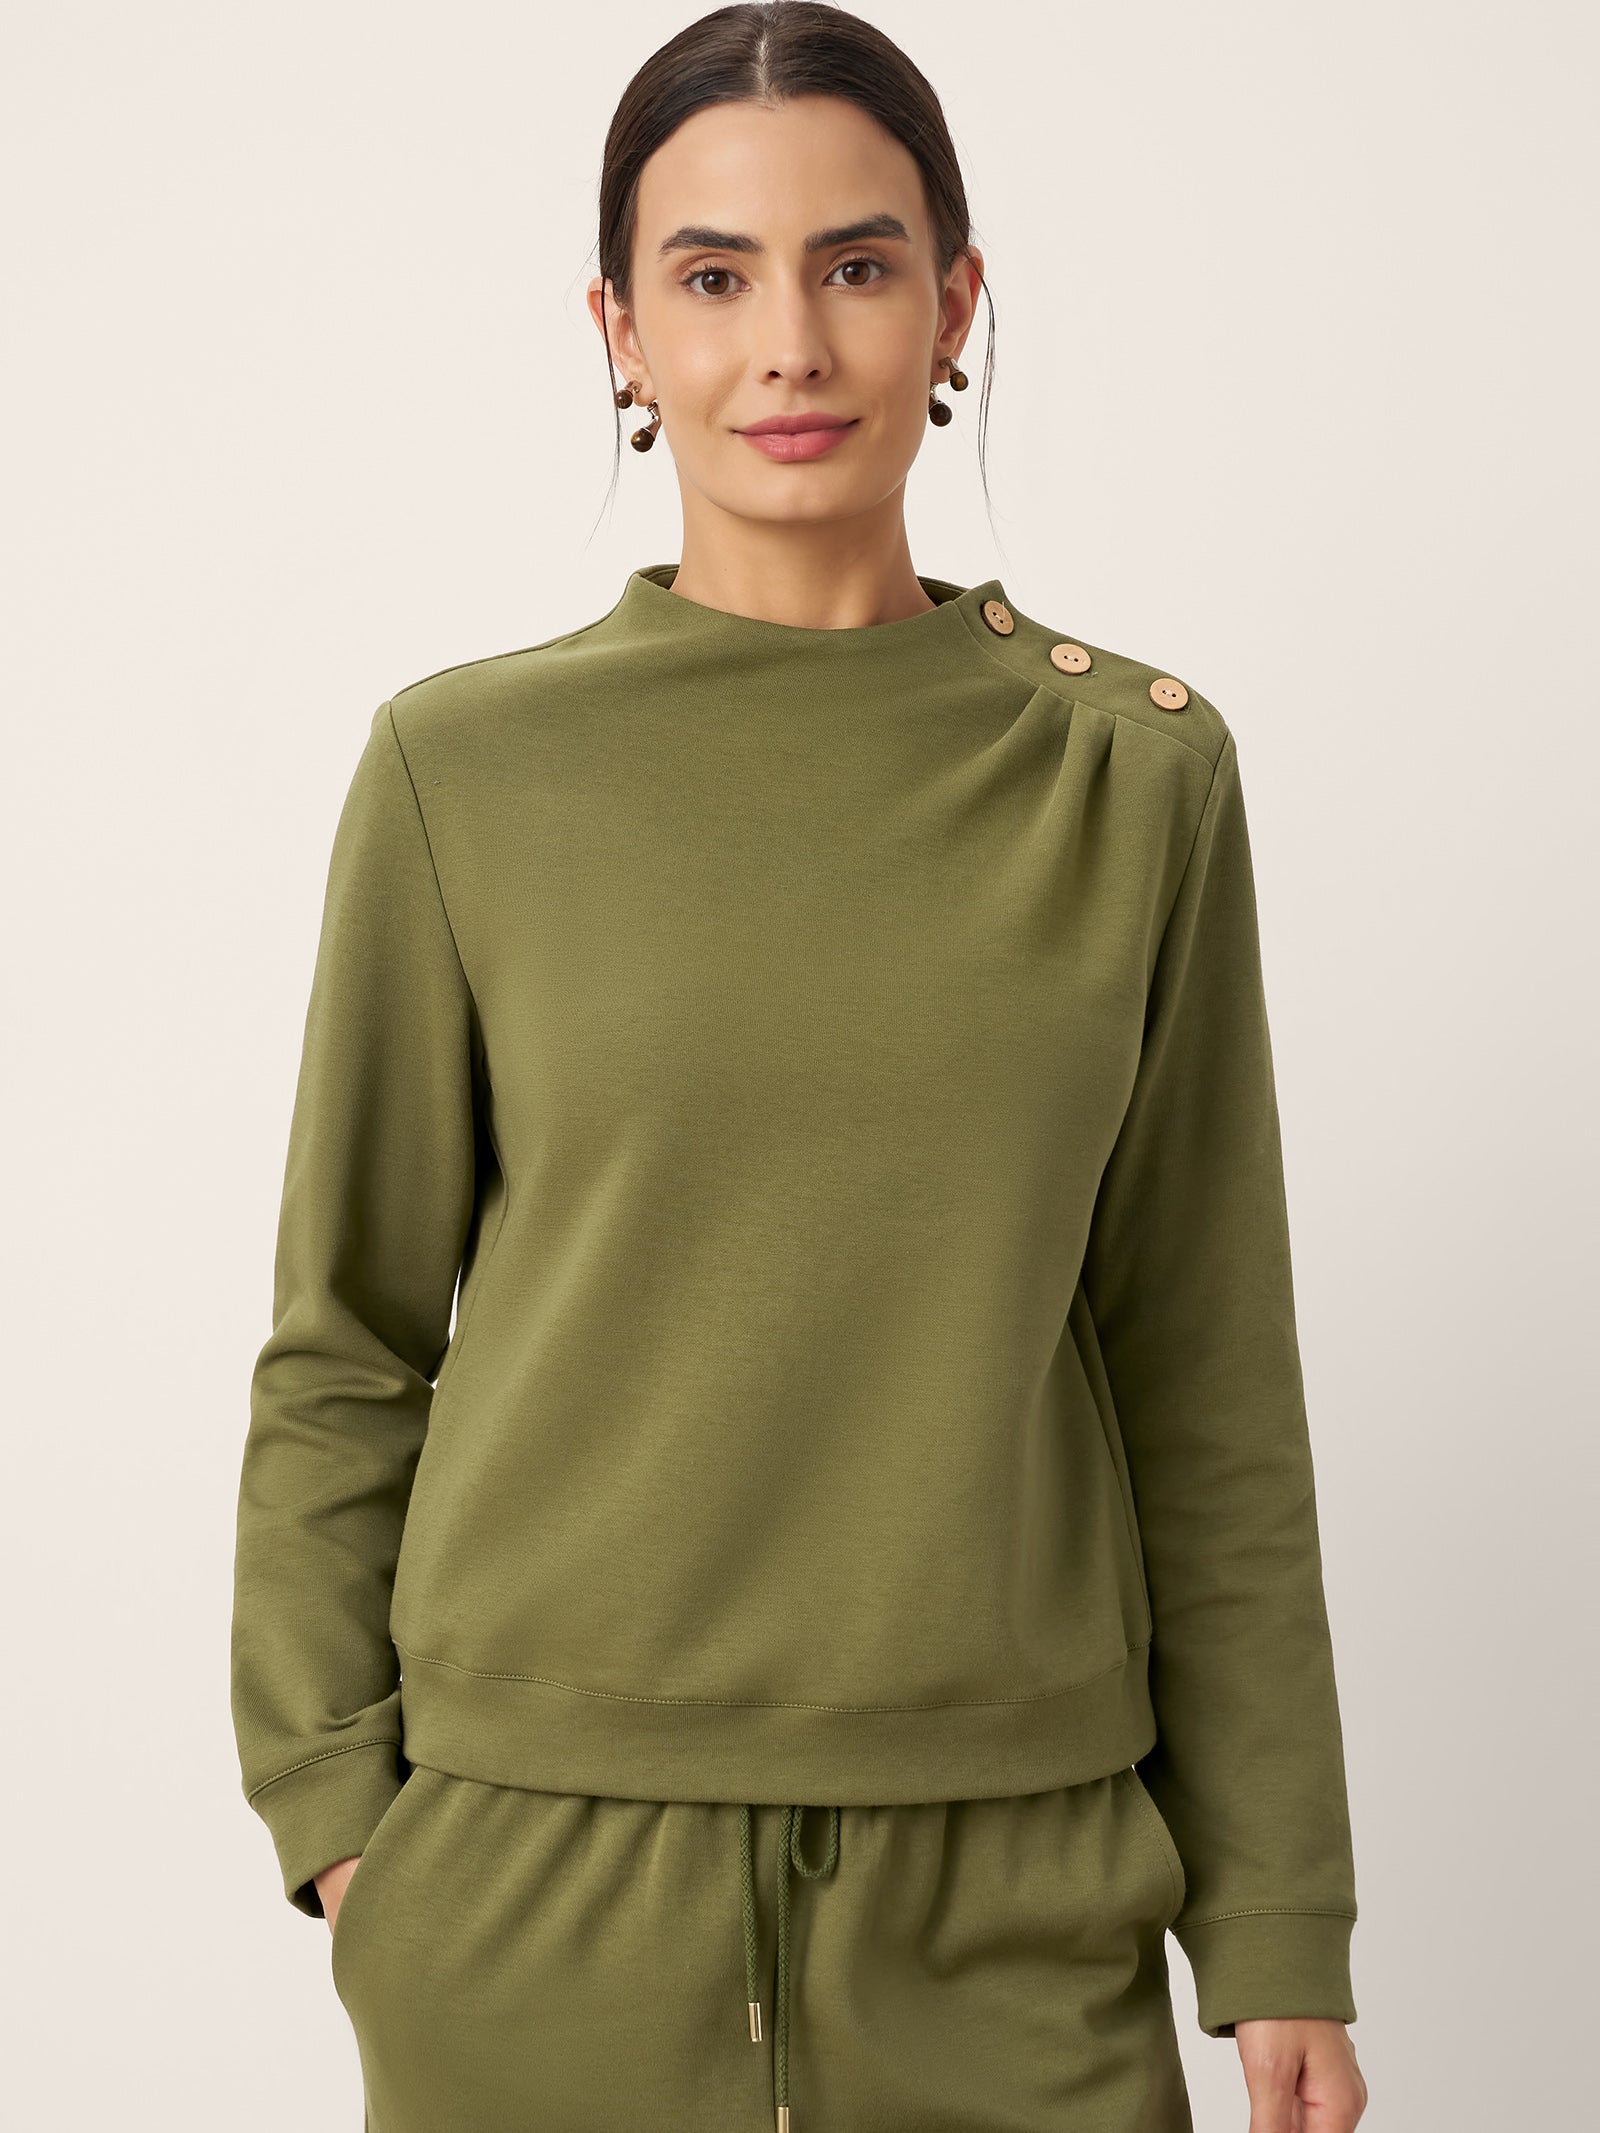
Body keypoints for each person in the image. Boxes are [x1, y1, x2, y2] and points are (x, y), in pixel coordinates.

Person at [229, 7, 1368, 2129]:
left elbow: (1206, 1373)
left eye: (855, 265)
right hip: (532, 1875)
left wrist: (1278, 1909)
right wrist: (342, 1819)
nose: (788, 345)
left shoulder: (1134, 779)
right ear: (619, 331)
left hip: (1017, 1872)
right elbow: (348, 1342)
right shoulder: (462, 771)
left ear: (953, 305)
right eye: (712, 274)